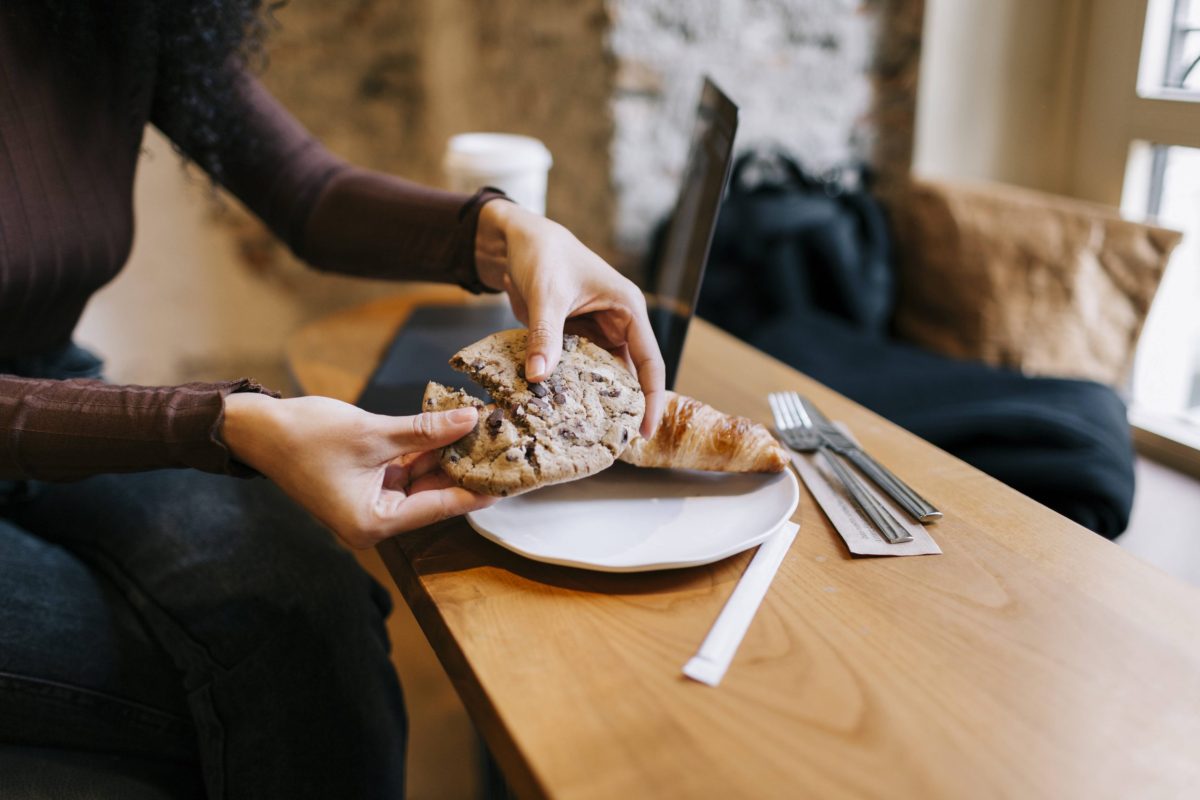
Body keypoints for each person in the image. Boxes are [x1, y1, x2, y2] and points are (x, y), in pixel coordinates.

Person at [0, 3, 665, 798]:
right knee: (221, 693)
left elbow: (309, 195)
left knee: (316, 623)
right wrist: (228, 424)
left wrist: (506, 233)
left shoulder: (109, 18)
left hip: (53, 383)